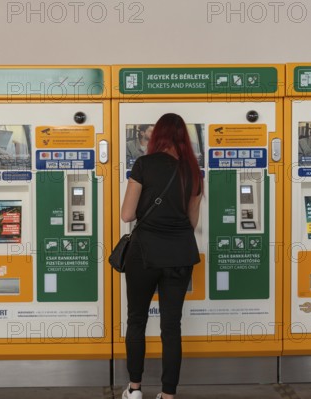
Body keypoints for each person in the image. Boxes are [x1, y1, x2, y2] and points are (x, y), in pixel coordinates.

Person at [120, 113, 202, 399]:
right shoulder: (193, 171)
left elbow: (127, 214)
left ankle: (135, 389)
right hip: (180, 255)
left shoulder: (143, 165)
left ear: (158, 136)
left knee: (137, 320)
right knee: (171, 326)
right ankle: (168, 395)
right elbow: (192, 223)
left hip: (144, 254)